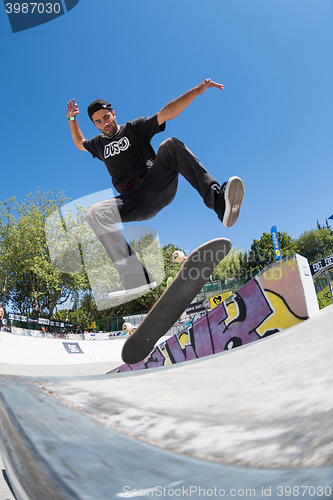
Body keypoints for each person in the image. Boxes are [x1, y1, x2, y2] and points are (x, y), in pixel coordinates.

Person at [66, 79, 244, 298]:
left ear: (113, 113)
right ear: (95, 125)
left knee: (169, 145)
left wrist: (197, 91)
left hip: (156, 184)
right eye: (98, 122)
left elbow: (167, 113)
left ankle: (219, 202)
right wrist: (71, 119)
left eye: (106, 117)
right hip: (132, 201)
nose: (105, 123)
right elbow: (79, 143)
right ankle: (134, 277)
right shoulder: (98, 145)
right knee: (94, 213)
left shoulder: (135, 128)